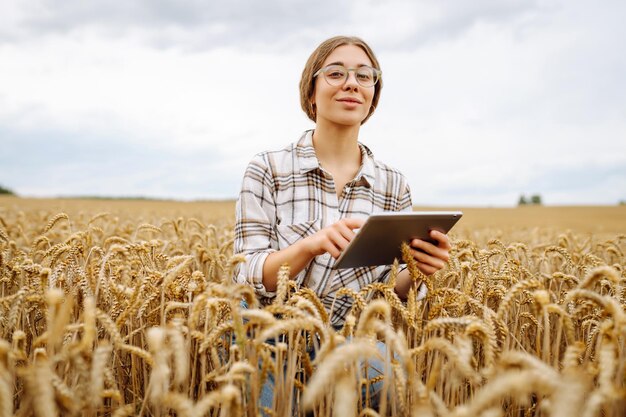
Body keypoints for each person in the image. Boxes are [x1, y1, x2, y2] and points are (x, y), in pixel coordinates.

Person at [233, 35, 451, 411]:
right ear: (311, 92)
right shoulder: (268, 169)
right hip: (269, 337)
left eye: (365, 76)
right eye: (336, 73)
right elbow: (248, 277)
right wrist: (309, 246)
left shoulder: (393, 185)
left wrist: (418, 271)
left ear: (372, 97)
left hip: (356, 341)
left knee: (396, 382)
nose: (352, 83)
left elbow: (389, 292)